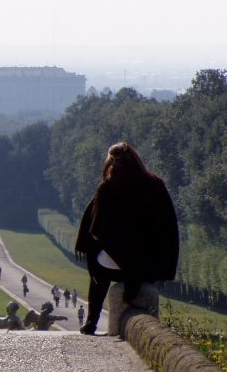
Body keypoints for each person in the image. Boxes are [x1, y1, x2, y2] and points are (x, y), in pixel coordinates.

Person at [74, 142, 179, 335]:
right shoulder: (155, 184)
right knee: (139, 260)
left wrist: (95, 262)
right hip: (148, 268)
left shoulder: (107, 187)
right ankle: (134, 284)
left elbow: (94, 230)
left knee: (98, 272)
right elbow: (168, 230)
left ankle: (91, 321)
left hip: (111, 269)